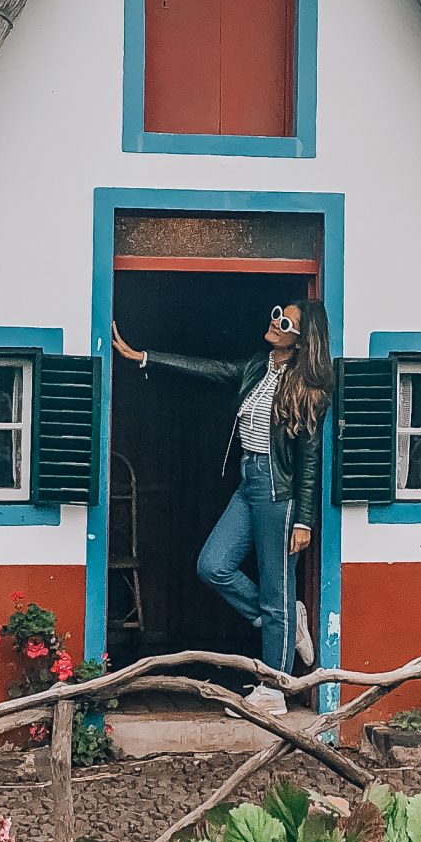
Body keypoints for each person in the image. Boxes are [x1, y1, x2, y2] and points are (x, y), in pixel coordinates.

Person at [110, 299, 333, 713]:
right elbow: (209, 368)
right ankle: (285, 619)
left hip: (276, 491)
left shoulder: (309, 389)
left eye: (286, 322)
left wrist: (304, 519)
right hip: (248, 482)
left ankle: (274, 689)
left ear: (303, 340)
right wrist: (145, 357)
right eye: (276, 313)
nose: (275, 322)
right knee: (213, 565)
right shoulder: (255, 367)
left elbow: (309, 461)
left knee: (274, 588)